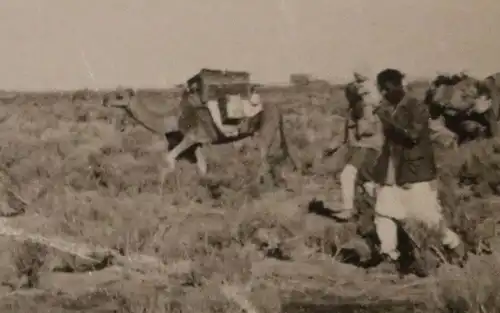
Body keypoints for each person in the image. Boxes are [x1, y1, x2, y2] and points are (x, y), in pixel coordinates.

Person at [370, 68, 466, 275]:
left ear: (397, 86)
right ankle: (390, 257)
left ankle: (455, 246)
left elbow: (412, 135)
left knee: (427, 219)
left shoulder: (416, 107)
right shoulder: (388, 108)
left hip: (415, 172)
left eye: (387, 89)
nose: (384, 94)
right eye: (382, 90)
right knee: (383, 213)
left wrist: (386, 119)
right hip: (391, 173)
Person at [331, 69, 384, 221]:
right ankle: (381, 211)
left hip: (367, 148)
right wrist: (333, 146)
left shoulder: (366, 107)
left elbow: (365, 130)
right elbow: (345, 133)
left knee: (347, 175)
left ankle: (349, 210)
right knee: (367, 183)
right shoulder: (357, 109)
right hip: (362, 148)